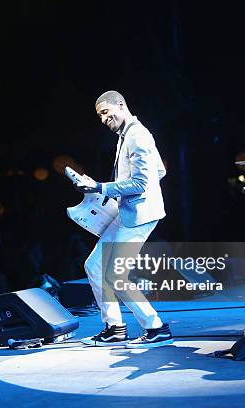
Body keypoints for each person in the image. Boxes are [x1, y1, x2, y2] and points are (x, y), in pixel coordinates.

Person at [76, 90, 173, 348]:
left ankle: (156, 327)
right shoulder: (127, 134)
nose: (103, 120)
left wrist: (100, 188)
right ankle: (115, 327)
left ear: (121, 105)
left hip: (140, 215)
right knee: (94, 265)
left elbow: (141, 182)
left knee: (116, 275)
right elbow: (159, 171)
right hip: (129, 210)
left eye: (105, 112)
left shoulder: (137, 135)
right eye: (100, 117)